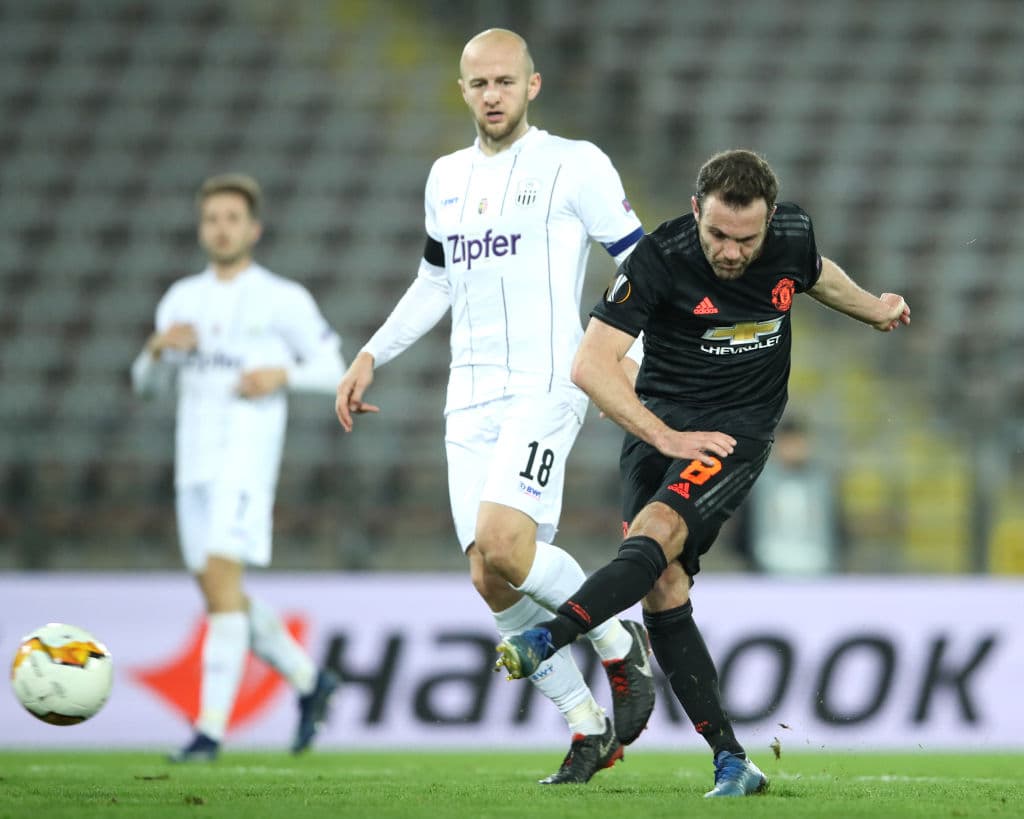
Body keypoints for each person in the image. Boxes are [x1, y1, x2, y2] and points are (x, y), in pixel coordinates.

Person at [495, 149, 911, 797]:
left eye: (746, 238)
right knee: (661, 583)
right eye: (718, 234)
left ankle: (549, 635)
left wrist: (875, 308)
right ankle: (731, 759)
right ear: (696, 212)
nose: (731, 251)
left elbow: (818, 274)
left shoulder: (792, 236)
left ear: (769, 221)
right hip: (658, 427)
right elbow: (591, 364)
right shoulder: (660, 259)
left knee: (658, 531)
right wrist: (661, 433)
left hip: (736, 429)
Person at [335, 28, 655, 784]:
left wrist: (625, 362)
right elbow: (436, 282)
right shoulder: (445, 177)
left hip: (547, 382)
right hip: (468, 395)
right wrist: (371, 352)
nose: (492, 95)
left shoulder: (574, 163)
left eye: (505, 82)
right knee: (489, 572)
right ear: (462, 90)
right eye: (479, 84)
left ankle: (620, 644)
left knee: (505, 543)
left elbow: (642, 262)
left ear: (532, 86)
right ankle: (585, 727)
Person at [132, 173, 346, 762]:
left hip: (245, 464)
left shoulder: (283, 298)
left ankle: (209, 732)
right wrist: (153, 352)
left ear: (253, 229)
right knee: (221, 593)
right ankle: (309, 681)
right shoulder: (180, 300)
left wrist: (284, 376)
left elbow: (335, 368)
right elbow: (146, 390)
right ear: (202, 229)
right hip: (192, 467)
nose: (221, 229)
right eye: (211, 219)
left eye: (231, 218)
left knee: (222, 587)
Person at [734, 414, 844, 574]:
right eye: (788, 443)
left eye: (797, 443)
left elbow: (837, 528)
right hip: (767, 571)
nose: (793, 449)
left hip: (817, 570)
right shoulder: (759, 482)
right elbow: (743, 531)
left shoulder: (823, 483)